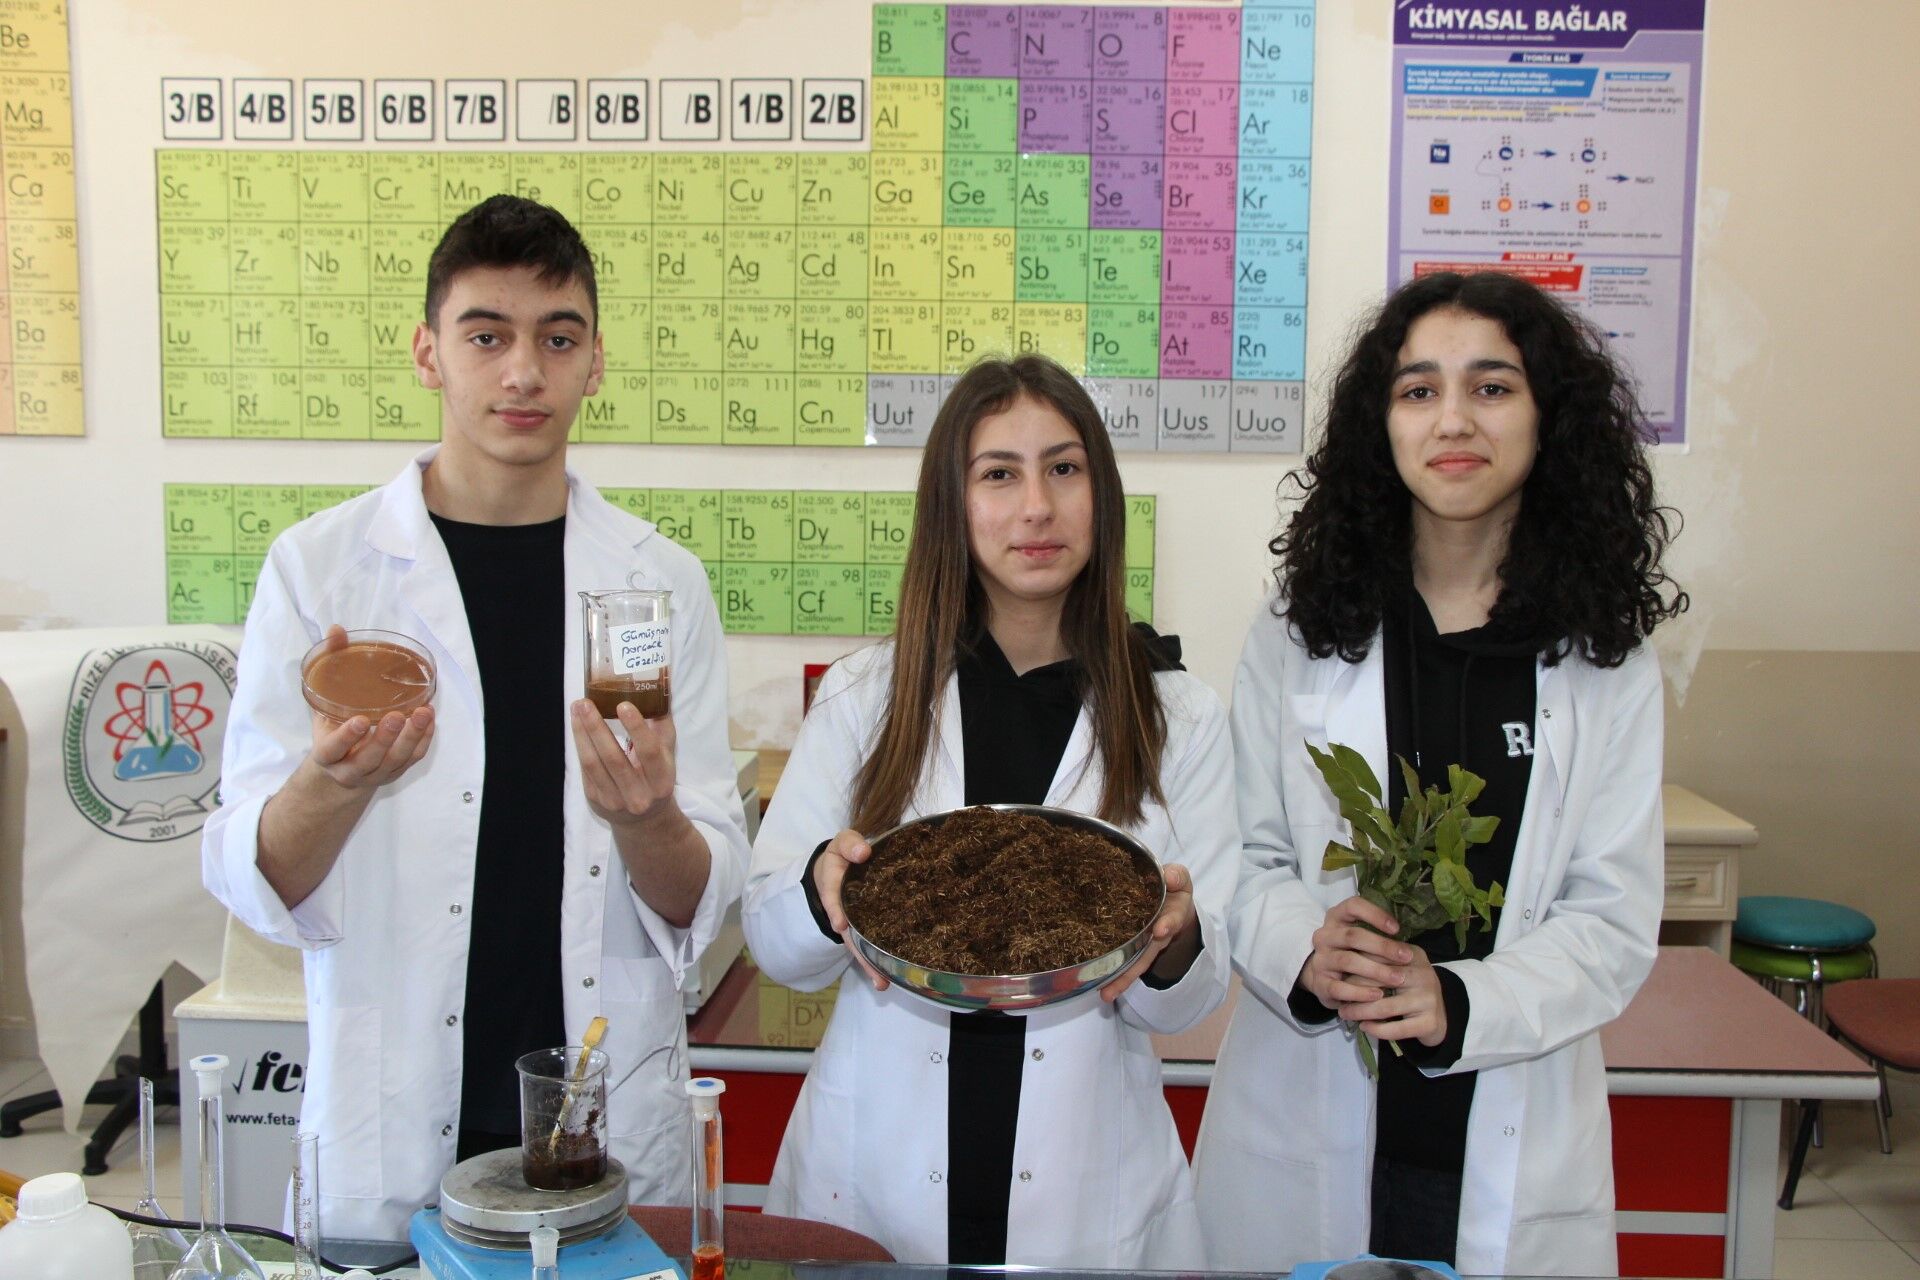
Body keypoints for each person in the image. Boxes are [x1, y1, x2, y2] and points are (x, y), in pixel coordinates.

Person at [202, 195, 751, 1241]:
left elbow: (702, 895)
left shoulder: (653, 587)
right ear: (429, 353)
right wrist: (332, 783)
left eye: (559, 338)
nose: (523, 372)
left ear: (595, 362)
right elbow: (250, 874)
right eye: (486, 335)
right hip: (392, 1127)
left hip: (602, 1132)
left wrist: (646, 819)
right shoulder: (324, 574)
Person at [1192, 271, 1688, 1276]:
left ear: (1549, 418)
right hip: (1310, 1110)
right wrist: (1306, 952)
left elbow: (1612, 914)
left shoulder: (1605, 658)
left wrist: (1460, 1003)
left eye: (1492, 387)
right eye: (1419, 390)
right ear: (1381, 425)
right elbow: (1242, 854)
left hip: (1509, 1115)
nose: (1453, 419)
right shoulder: (1300, 632)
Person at [741, 355, 1236, 1268]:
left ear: (1102, 494)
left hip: (1085, 1182)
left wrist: (1176, 940)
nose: (1037, 507)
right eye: (999, 474)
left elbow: (1190, 1003)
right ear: (952, 504)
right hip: (876, 1171)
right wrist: (820, 890)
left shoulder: (1180, 717)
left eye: (1064, 468)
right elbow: (777, 947)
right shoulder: (863, 696)